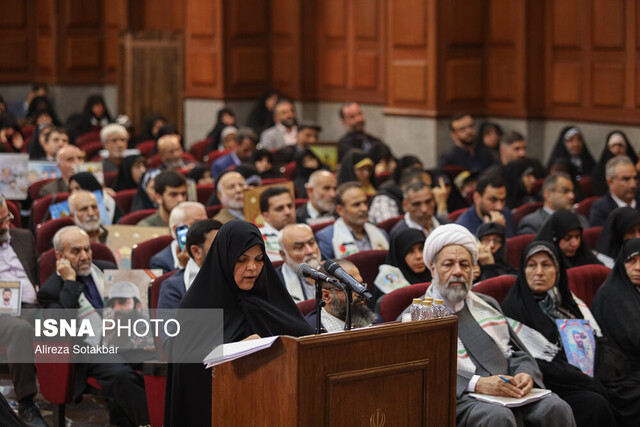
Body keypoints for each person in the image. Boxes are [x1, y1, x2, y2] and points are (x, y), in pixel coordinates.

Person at [419, 224, 576, 427]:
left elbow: (516, 352)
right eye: (448, 264)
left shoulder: (487, 305)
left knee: (556, 407)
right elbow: (424, 374)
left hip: (508, 391)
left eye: (464, 265)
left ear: (473, 270)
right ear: (433, 269)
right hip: (460, 399)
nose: (457, 271)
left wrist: (525, 373)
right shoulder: (415, 316)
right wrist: (478, 384)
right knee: (498, 417)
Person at [164, 220, 314, 426]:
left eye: (259, 259)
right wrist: (233, 352)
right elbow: (187, 375)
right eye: (242, 260)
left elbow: (305, 344)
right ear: (224, 259)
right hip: (220, 412)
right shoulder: (196, 305)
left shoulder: (270, 299)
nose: (252, 267)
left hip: (279, 406)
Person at [503, 241, 640, 427]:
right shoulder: (514, 308)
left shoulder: (567, 301)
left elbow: (598, 340)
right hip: (557, 384)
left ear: (558, 269)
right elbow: (539, 363)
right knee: (595, 403)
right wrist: (585, 379)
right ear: (523, 269)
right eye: (532, 265)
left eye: (546, 265)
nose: (539, 272)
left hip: (591, 377)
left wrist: (602, 370)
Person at [38, 226, 150, 426]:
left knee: (158, 363)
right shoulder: (51, 290)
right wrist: (70, 282)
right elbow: (62, 327)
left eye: (87, 249)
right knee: (121, 374)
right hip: (88, 350)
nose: (85, 256)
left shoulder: (105, 269)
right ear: (60, 256)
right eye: (76, 251)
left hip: (122, 338)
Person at [0, 195, 47, 426]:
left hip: (32, 306)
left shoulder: (25, 237)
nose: (4, 226)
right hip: (3, 315)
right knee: (19, 329)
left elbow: (38, 273)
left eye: (6, 218)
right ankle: (27, 404)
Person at [592, 238, 640, 375]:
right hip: (626, 369)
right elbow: (634, 339)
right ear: (621, 263)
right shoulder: (611, 294)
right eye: (631, 261)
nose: (638, 267)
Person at [158, 219, 222, 310]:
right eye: (218, 245)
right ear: (196, 251)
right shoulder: (173, 287)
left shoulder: (237, 277)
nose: (225, 250)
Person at [316, 182, 389, 260]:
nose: (364, 208)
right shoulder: (327, 238)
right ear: (340, 210)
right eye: (356, 205)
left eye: (365, 203)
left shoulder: (381, 233)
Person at [305, 259, 383, 332]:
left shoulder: (376, 322)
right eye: (350, 289)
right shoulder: (311, 332)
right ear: (326, 296)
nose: (360, 294)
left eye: (360, 286)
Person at [517, 172, 589, 235]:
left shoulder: (580, 219)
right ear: (547, 195)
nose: (572, 196)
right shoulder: (531, 224)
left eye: (572, 191)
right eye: (565, 191)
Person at [150, 202, 207, 273]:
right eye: (196, 223)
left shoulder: (211, 248)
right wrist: (183, 266)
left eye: (206, 222)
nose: (204, 228)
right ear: (175, 229)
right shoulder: (160, 262)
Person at [535, 210, 601, 268]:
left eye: (577, 237)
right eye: (567, 238)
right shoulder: (543, 265)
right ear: (555, 239)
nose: (575, 243)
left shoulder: (584, 255)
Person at [276, 223, 323, 302]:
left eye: (311, 243)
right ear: (283, 255)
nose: (310, 251)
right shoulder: (275, 284)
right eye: (299, 247)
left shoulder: (331, 271)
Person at [589, 155, 640, 226]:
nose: (633, 184)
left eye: (635, 178)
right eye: (626, 179)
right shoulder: (600, 209)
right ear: (610, 182)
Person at [592, 131, 638, 197]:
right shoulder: (599, 170)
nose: (617, 150)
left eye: (620, 145)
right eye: (613, 146)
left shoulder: (635, 167)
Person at [258, 187, 296, 262]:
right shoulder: (258, 239)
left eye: (290, 206)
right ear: (266, 216)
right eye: (280, 208)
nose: (288, 212)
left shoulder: (305, 230)